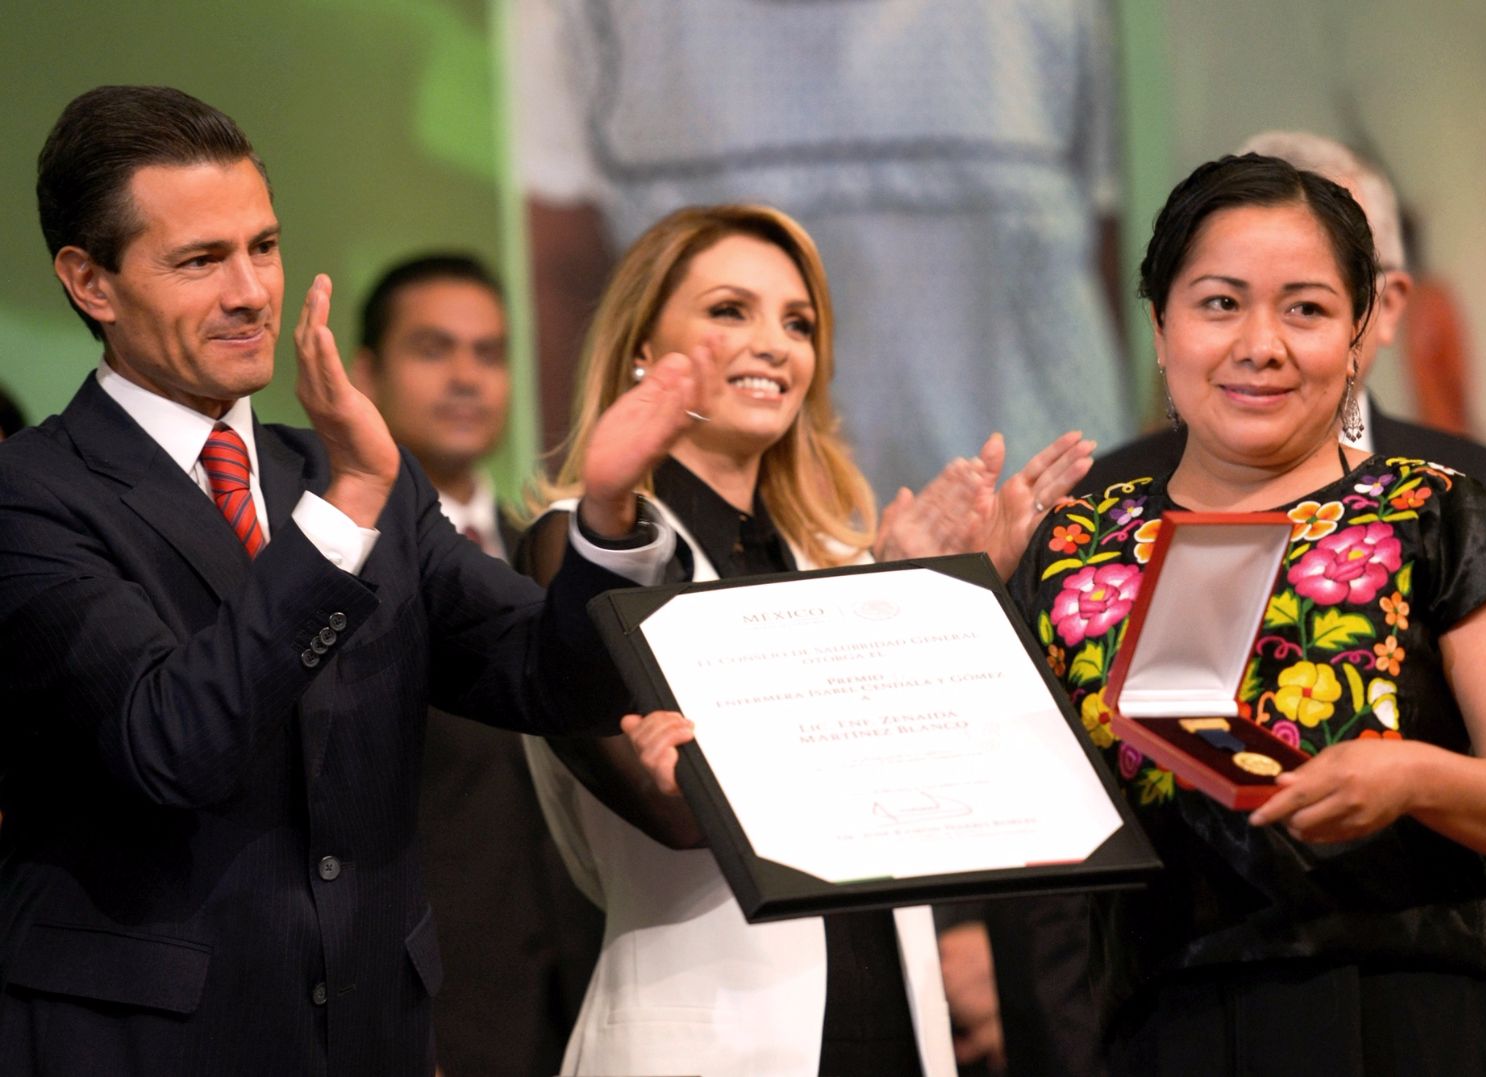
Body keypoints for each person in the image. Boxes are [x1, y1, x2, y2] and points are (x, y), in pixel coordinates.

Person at [0, 85, 704, 1074]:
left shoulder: (354, 476)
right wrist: (344, 512)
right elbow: (172, 742)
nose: (250, 290)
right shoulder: (31, 493)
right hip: (140, 1044)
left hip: (370, 1031)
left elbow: (555, 681)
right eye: (200, 260)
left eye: (264, 246)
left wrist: (611, 519)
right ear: (90, 282)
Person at [988, 132, 1486, 1075]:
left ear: (1358, 336)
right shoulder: (1077, 546)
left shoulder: (1435, 514)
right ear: (1160, 326)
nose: (1260, 346)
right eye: (1220, 304)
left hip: (1414, 1022)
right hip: (1164, 1030)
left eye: (1306, 309)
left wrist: (1411, 779)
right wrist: (950, 591)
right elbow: (1005, 816)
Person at [519, 203, 1094, 1076]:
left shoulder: (838, 562)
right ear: (642, 345)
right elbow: (672, 812)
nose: (773, 343)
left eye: (799, 323)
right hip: (703, 1039)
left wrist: (940, 610)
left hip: (898, 1034)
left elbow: (934, 796)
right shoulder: (579, 544)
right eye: (728, 311)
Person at [510, 0, 1131, 494]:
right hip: (733, 568)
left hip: (1049, 549)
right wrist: (589, 532)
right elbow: (561, 285)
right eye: (732, 309)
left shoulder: (1061, 14)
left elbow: (1134, 266)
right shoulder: (588, 15)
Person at [351, 254, 602, 1076]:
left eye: (490, 353)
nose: (467, 377)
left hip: (591, 1000)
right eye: (435, 349)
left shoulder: (557, 552)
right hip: (425, 1012)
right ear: (365, 374)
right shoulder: (327, 565)